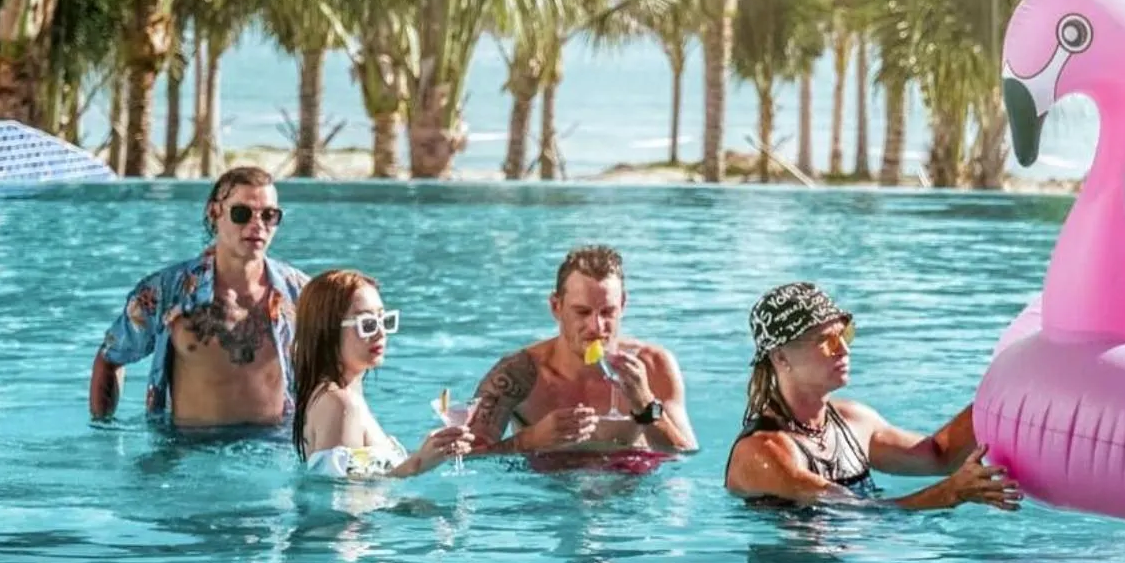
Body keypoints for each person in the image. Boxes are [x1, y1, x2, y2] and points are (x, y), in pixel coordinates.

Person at [724, 281, 1022, 511]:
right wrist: (952, 492)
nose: (844, 349)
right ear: (780, 357)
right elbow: (855, 513)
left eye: (845, 335)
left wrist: (1001, 396)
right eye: (825, 341)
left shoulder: (853, 420)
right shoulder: (762, 453)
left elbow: (939, 455)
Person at [89, 165, 309, 429]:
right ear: (215, 213)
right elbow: (110, 357)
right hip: (188, 450)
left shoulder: (299, 293)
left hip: (273, 447)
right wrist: (103, 434)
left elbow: (337, 369)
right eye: (242, 213)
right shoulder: (166, 290)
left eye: (269, 215)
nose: (258, 225)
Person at [465, 245, 698, 462]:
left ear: (623, 305)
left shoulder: (653, 364)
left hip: (630, 491)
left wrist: (646, 405)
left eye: (607, 312)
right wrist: (529, 440)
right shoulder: (517, 375)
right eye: (582, 312)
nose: (596, 327)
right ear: (556, 307)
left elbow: (685, 456)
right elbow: (466, 457)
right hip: (546, 494)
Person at [290, 269, 472, 479]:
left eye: (383, 320)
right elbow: (338, 498)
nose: (381, 333)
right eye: (367, 324)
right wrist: (416, 464)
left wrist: (429, 453)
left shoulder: (340, 394)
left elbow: (360, 479)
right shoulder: (339, 403)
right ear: (327, 330)